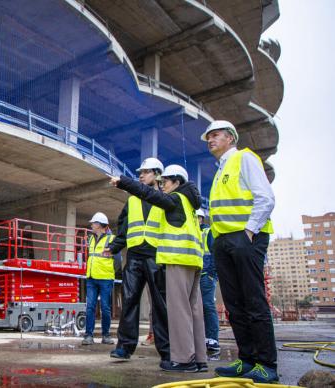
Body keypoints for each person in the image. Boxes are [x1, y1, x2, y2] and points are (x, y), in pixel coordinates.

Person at [110, 165, 207, 373]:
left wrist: (124, 182)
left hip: (166, 257)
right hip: (156, 257)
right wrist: (115, 247)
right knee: (187, 310)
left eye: (164, 181)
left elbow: (149, 194)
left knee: (172, 308)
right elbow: (124, 226)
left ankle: (178, 356)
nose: (162, 185)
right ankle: (196, 359)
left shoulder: (170, 199)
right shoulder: (184, 202)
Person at [202, 120, 277, 383]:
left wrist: (249, 231)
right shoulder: (221, 169)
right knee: (234, 304)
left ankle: (266, 363)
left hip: (246, 238)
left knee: (253, 301)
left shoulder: (244, 159)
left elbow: (265, 198)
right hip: (224, 242)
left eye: (215, 135)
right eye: (208, 136)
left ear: (230, 138)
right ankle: (247, 360)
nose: (210, 140)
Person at [109, 158, 170, 363]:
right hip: (134, 256)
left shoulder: (165, 198)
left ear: (157, 175)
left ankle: (167, 351)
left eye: (145, 172)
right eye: (140, 172)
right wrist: (114, 248)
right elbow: (123, 227)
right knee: (129, 301)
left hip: (156, 256)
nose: (141, 175)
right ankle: (124, 347)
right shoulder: (132, 200)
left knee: (160, 305)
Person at [82, 212, 118, 345]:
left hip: (105, 278)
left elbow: (118, 261)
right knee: (90, 307)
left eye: (93, 223)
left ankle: (106, 335)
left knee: (105, 308)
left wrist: (110, 272)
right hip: (91, 278)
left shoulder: (112, 239)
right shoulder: (90, 239)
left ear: (99, 225)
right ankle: (88, 335)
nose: (91, 225)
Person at [197, 208, 220, 359]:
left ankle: (212, 339)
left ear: (200, 219)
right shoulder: (190, 232)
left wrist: (212, 274)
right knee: (196, 308)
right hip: (194, 275)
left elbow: (215, 252)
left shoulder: (207, 231)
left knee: (207, 306)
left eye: (196, 218)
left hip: (206, 275)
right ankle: (200, 338)